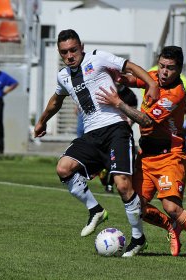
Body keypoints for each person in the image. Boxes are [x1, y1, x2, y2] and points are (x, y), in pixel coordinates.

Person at [34, 29, 160, 257]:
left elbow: (130, 66)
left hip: (116, 129)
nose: (70, 55)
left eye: (73, 50)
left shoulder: (97, 57)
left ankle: (138, 238)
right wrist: (42, 121)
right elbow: (56, 100)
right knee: (63, 168)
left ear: (81, 46)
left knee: (123, 186)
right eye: (64, 52)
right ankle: (96, 210)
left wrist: (151, 83)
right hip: (91, 135)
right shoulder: (63, 76)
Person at [97, 46, 186, 259]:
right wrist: (116, 76)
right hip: (146, 155)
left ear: (179, 69)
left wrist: (118, 103)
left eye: (170, 68)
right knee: (137, 205)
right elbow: (134, 80)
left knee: (171, 207)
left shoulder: (175, 94)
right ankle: (171, 227)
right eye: (161, 66)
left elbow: (146, 120)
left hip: (170, 155)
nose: (164, 72)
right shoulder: (154, 77)